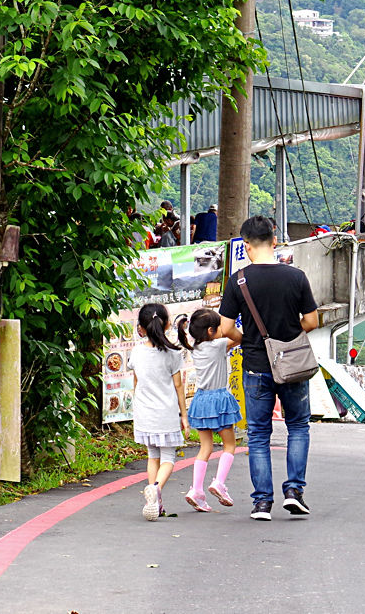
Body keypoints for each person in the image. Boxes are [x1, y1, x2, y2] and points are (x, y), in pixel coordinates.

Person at [217, 215, 318, 521]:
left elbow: (224, 328)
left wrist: (247, 338)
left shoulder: (239, 280)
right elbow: (312, 321)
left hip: (256, 367)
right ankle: (294, 492)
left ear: (246, 245)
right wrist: (288, 337)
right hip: (292, 366)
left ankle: (262, 503)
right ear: (275, 241)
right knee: (298, 426)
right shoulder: (296, 276)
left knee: (259, 434)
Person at [174, 307, 242, 511]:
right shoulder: (219, 345)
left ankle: (196, 490)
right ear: (211, 331)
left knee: (205, 448)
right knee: (229, 445)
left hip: (201, 400)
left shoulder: (196, 347)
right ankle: (219, 482)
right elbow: (238, 338)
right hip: (219, 400)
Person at [130, 303, 187, 521]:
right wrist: (184, 415)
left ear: (141, 328)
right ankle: (155, 489)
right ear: (167, 324)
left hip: (144, 412)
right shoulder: (173, 354)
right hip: (166, 412)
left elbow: (136, 384)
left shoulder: (136, 352)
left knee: (153, 455)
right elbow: (179, 386)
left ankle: (153, 501)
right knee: (169, 457)